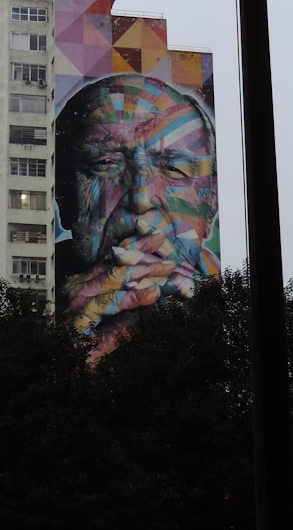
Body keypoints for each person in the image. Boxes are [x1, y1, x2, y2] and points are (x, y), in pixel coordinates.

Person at [55, 74, 220, 356]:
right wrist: (63, 337)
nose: (141, 199)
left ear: (211, 204)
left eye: (174, 169)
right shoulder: (28, 296)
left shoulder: (240, 312)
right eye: (105, 164)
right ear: (64, 198)